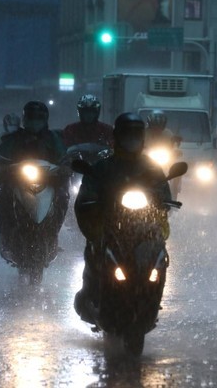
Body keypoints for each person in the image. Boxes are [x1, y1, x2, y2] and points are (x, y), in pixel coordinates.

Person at [73, 112, 172, 322]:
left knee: (159, 254)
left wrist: (164, 202)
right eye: (127, 134)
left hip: (142, 226)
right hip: (110, 225)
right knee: (94, 250)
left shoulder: (152, 168)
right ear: (117, 136)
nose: (132, 139)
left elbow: (164, 193)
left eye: (136, 134)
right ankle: (91, 293)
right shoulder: (104, 166)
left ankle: (153, 296)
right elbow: (87, 193)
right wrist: (91, 201)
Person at [0, 101, 69, 263]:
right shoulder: (15, 138)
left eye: (39, 118)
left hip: (49, 182)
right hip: (17, 183)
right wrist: (4, 167)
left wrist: (66, 166)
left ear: (45, 119)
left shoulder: (53, 138)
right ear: (25, 119)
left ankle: (53, 234)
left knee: (63, 198)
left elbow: (65, 156)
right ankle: (6, 238)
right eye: (31, 118)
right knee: (0, 204)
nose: (35, 122)